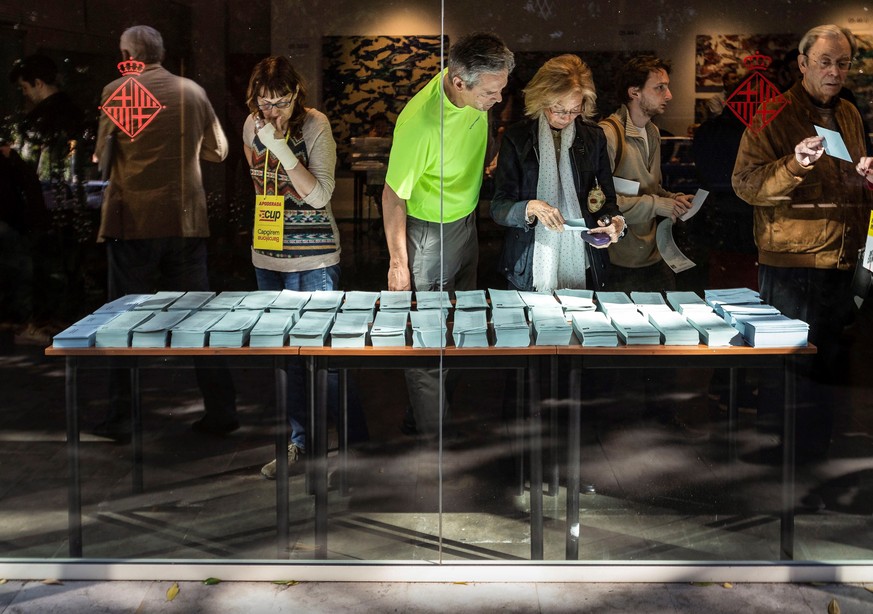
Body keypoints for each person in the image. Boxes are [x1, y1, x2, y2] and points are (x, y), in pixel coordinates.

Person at [733, 24, 873, 461]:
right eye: (825, 62)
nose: (835, 71)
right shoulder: (771, 114)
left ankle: (813, 456)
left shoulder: (848, 114)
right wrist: (793, 165)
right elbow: (746, 185)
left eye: (843, 63)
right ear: (803, 63)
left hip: (840, 263)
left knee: (829, 367)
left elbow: (849, 183)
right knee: (788, 369)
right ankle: (780, 461)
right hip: (793, 266)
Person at [93, 25, 238, 441]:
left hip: (132, 222)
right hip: (186, 220)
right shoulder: (191, 92)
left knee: (122, 320)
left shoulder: (118, 91)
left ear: (126, 52)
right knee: (200, 318)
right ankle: (222, 409)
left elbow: (103, 158)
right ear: (161, 52)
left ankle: (122, 418)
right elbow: (218, 151)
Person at [382, 31, 514, 436]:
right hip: (427, 233)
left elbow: (477, 128)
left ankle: (422, 416)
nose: (498, 100)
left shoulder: (474, 87)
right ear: (459, 83)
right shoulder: (421, 124)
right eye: (491, 93)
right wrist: (399, 263)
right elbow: (392, 196)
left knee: (464, 327)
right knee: (427, 337)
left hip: (466, 222)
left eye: (501, 90)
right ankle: (433, 443)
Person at [242, 56, 368, 478]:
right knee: (287, 357)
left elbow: (319, 195)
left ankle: (354, 448)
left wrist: (279, 147)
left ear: (296, 95)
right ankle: (303, 444)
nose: (273, 111)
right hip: (269, 255)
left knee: (326, 356)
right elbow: (263, 189)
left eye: (280, 101)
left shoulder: (315, 125)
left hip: (314, 258)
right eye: (265, 103)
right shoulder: (249, 126)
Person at [598, 55, 702, 437]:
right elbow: (601, 202)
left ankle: (660, 415)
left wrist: (673, 198)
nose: (670, 94)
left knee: (662, 338)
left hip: (652, 253)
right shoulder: (607, 135)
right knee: (613, 344)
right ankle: (607, 425)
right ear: (633, 92)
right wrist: (659, 204)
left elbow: (649, 190)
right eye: (660, 87)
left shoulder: (654, 133)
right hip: (619, 257)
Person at [490, 53, 625, 292]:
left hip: (583, 260)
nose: (567, 118)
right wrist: (530, 207)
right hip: (528, 263)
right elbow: (499, 207)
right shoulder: (518, 138)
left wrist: (614, 222)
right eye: (559, 109)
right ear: (542, 100)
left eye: (575, 110)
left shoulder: (593, 138)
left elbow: (607, 200)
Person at [7, 54, 85, 341]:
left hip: (43, 203)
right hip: (73, 202)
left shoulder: (37, 120)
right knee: (68, 266)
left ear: (38, 83)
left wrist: (11, 156)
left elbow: (30, 166)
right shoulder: (76, 111)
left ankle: (41, 324)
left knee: (42, 267)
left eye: (25, 88)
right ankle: (63, 321)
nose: (25, 95)